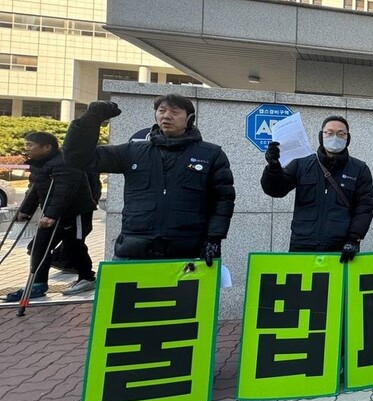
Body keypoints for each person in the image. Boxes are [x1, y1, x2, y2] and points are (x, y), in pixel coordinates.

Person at [62, 94, 235, 265]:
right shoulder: (132, 151)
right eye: (161, 111)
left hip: (187, 251)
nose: (166, 116)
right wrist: (90, 120)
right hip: (133, 250)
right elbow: (78, 158)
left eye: (174, 112)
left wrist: (214, 238)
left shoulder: (210, 154)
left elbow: (223, 199)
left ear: (189, 118)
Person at [261, 115, 373, 260]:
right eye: (329, 133)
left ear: (348, 138)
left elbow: (365, 207)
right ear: (321, 136)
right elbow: (276, 190)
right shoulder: (301, 165)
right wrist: (273, 166)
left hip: (340, 248)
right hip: (302, 245)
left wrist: (354, 239)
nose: (335, 137)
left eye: (341, 134)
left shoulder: (360, 169)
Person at [4, 133, 98, 301]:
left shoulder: (65, 163)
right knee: (38, 246)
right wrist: (25, 210)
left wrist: (51, 215)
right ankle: (38, 284)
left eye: (31, 145)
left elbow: (64, 191)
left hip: (75, 213)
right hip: (53, 214)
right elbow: (34, 191)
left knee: (73, 247)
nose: (27, 148)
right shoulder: (39, 165)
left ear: (47, 147)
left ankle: (87, 278)